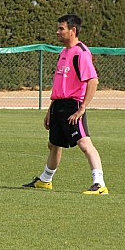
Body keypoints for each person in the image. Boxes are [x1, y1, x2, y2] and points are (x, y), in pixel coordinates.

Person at [23, 14, 108, 195]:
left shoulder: (81, 53)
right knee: (54, 145)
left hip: (73, 106)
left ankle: (99, 184)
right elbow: (59, 84)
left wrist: (82, 108)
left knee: (85, 144)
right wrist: (50, 110)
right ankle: (45, 180)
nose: (58, 31)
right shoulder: (63, 52)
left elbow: (93, 81)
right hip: (58, 105)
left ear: (73, 30)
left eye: (61, 28)